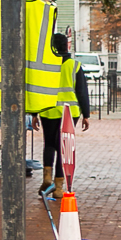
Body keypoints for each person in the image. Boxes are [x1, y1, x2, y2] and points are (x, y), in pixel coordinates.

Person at [36, 33, 89, 197]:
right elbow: (81, 91)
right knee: (63, 148)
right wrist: (86, 114)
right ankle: (59, 187)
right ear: (67, 46)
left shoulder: (46, 65)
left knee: (49, 143)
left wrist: (33, 113)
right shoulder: (74, 65)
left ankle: (46, 177)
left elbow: (37, 89)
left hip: (48, 109)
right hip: (69, 112)